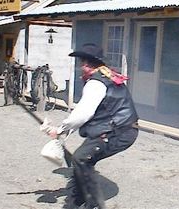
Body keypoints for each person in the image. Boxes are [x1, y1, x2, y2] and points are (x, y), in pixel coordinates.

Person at [48, 43, 139, 209]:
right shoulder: (107, 76)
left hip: (117, 131)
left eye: (89, 61)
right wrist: (65, 132)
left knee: (80, 158)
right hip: (121, 129)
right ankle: (76, 202)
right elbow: (87, 115)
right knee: (81, 161)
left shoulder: (96, 83)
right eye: (83, 61)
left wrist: (60, 129)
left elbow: (83, 113)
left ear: (97, 63)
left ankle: (94, 205)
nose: (84, 65)